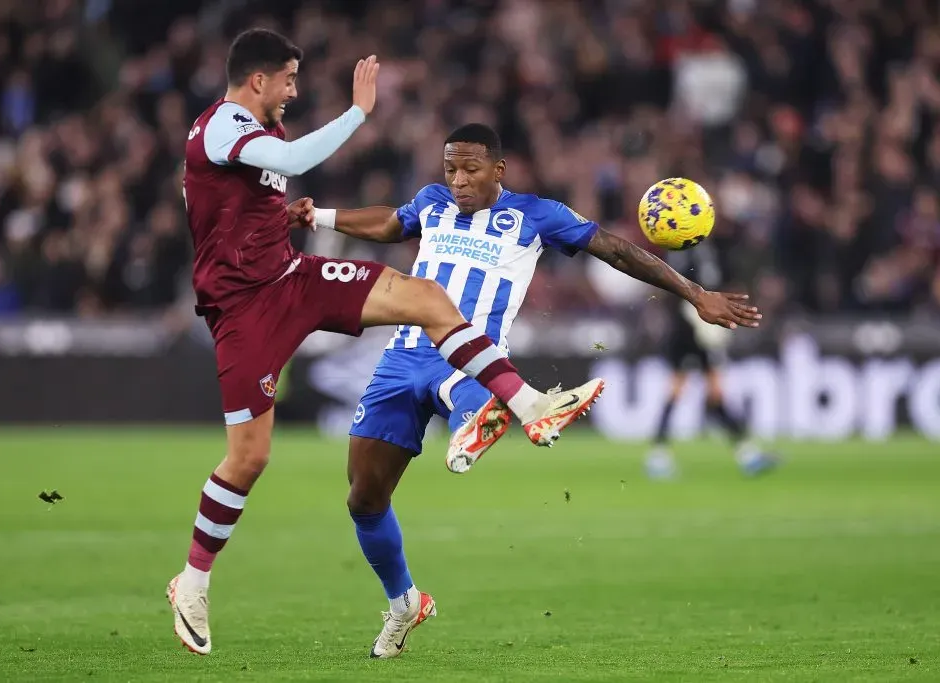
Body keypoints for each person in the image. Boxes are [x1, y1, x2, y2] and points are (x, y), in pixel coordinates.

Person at [168, 30, 605, 657]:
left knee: (427, 298)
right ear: (258, 79)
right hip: (243, 308)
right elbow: (290, 163)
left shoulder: (259, 129)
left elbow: (258, 192)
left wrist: (302, 218)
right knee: (249, 459)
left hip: (293, 278)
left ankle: (529, 403)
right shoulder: (220, 126)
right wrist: (357, 113)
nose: (293, 92)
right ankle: (192, 582)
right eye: (289, 79)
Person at [309, 123, 762, 658]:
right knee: (363, 499)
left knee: (467, 389)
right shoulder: (431, 202)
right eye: (451, 169)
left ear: (498, 170)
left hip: (473, 354)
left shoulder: (535, 215)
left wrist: (694, 293)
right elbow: (390, 222)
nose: (458, 180)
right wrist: (319, 216)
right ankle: (405, 602)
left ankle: (478, 419)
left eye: (471, 169)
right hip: (400, 358)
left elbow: (616, 250)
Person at [645, 243, 779, 479]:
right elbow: (672, 286)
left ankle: (747, 454)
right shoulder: (682, 250)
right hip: (686, 331)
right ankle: (658, 455)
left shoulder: (711, 249)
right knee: (677, 391)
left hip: (707, 328)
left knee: (715, 394)